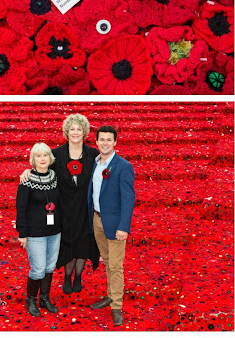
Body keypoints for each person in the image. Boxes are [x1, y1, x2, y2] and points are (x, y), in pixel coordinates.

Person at [87, 125, 135, 327]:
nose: (105, 143)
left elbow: (128, 198)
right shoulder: (95, 163)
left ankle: (116, 306)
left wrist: (123, 227)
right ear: (96, 142)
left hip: (115, 224)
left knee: (115, 266)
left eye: (109, 140)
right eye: (102, 139)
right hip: (98, 220)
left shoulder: (123, 166)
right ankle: (109, 295)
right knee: (107, 262)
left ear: (115, 142)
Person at [51, 114, 100, 294]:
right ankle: (67, 275)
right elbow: (42, 170)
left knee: (82, 244)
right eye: (72, 129)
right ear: (66, 132)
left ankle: (78, 276)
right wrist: (26, 172)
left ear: (85, 132)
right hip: (64, 208)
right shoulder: (55, 155)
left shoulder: (94, 155)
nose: (75, 132)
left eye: (79, 129)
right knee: (67, 244)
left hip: (85, 207)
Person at [16, 142, 61, 317]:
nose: (42, 159)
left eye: (45, 155)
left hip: (54, 231)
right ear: (33, 159)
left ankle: (45, 299)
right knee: (38, 269)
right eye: (38, 156)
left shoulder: (55, 177)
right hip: (35, 233)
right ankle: (31, 300)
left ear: (50, 158)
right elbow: (21, 208)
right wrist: (22, 233)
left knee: (50, 267)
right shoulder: (26, 181)